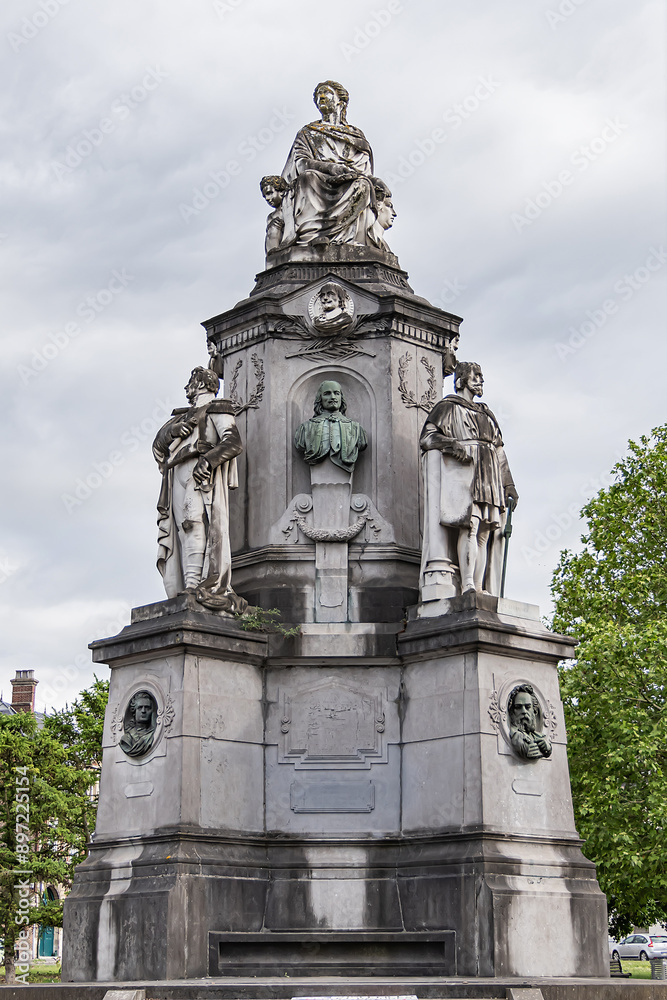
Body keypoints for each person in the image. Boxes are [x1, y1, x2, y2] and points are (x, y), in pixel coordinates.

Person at [152, 367, 246, 613]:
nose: (186, 388)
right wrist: (172, 432)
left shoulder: (218, 409)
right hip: (177, 473)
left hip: (199, 472)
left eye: (190, 383)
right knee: (181, 529)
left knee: (193, 523)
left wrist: (208, 461)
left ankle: (195, 586)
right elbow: (158, 446)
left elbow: (233, 441)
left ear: (202, 384)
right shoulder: (179, 418)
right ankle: (185, 585)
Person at [419, 361, 518, 596]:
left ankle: (479, 586)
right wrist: (451, 444)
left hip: (489, 471)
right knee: (471, 526)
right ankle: (467, 585)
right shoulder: (447, 407)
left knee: (485, 531)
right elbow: (428, 438)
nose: (481, 381)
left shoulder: (487, 413)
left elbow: (499, 452)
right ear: (461, 380)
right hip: (465, 471)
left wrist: (509, 484)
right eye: (477, 376)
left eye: (482, 377)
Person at [278, 81, 385, 248]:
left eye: (326, 93)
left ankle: (347, 238)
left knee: (363, 185)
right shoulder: (308, 133)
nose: (321, 97)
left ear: (340, 102)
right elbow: (301, 164)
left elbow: (364, 171)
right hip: (318, 180)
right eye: (318, 95)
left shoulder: (356, 136)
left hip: (350, 181)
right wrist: (332, 169)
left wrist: (375, 181)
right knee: (307, 177)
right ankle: (313, 235)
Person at [294, 380, 367, 473]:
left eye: (336, 393)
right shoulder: (305, 428)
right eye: (327, 393)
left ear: (341, 397)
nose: (332, 397)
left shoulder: (356, 429)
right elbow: (300, 445)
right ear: (320, 398)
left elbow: (362, 444)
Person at [507, 684, 552, 759]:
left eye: (527, 707)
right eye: (518, 707)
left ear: (534, 711)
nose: (524, 711)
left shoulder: (538, 736)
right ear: (512, 712)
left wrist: (547, 748)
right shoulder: (516, 736)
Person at [119, 692, 157, 758]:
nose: (143, 711)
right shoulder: (127, 739)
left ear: (152, 711)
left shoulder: (152, 734)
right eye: (140, 708)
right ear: (134, 711)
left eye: (147, 708)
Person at [259, 174, 287, 254]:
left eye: (269, 193)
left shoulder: (292, 206)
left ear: (281, 191)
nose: (267, 199)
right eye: (265, 196)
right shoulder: (271, 217)